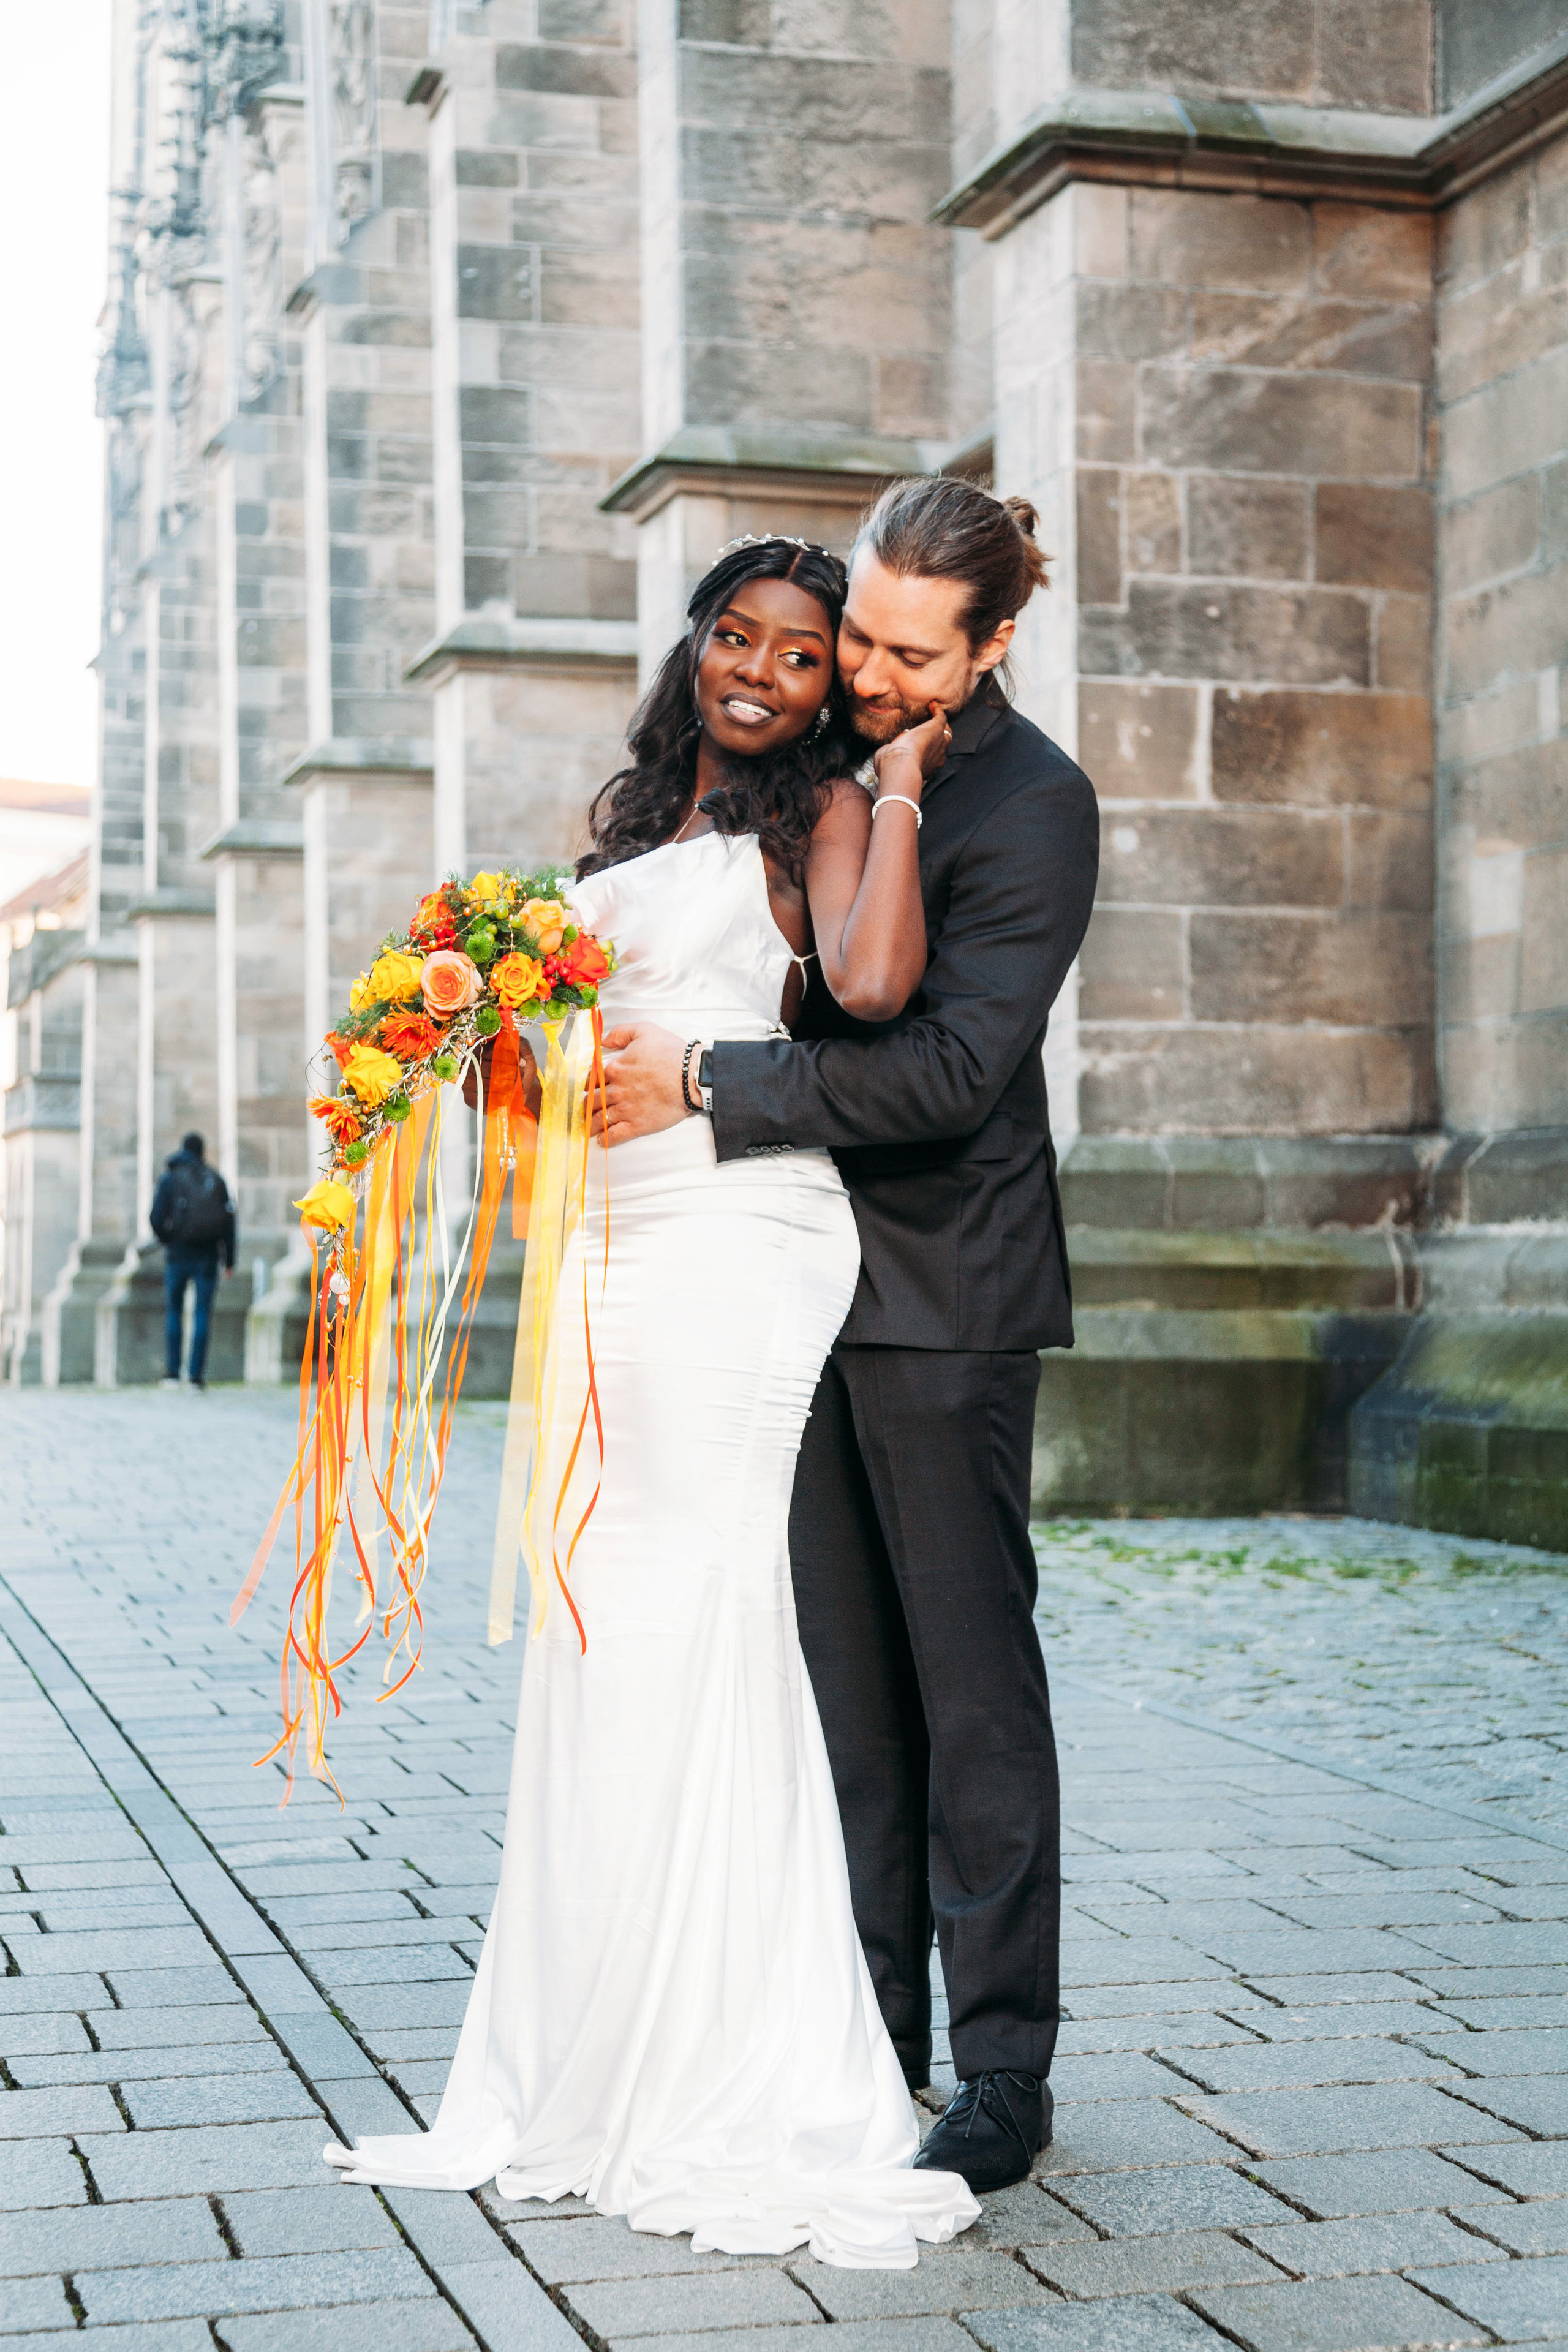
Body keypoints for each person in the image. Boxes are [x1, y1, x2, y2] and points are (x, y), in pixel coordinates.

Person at [324, 534, 981, 2266]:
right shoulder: (625, 833)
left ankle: (740, 2056)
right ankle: (594, 2043)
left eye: (800, 651)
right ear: (696, 645)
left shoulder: (829, 818)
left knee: (698, 1602)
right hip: (606, 1245)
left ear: (832, 679)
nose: (762, 671)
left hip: (743, 1232)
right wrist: (462, 1042)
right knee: (601, 1617)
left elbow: (875, 993)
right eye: (736, 637)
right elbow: (547, 1102)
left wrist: (902, 782)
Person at [591, 477, 1101, 2195]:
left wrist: (704, 1081)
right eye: (858, 634)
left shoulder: (1035, 806)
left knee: (968, 1693)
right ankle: (870, 2038)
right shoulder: (819, 758)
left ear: (994, 644)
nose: (865, 671)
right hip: (773, 1284)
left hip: (944, 1297)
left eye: (904, 651)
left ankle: (1004, 2072)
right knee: (843, 1703)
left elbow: (951, 1073)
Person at [148, 1131, 236, 1390]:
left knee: (174, 1311)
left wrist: (168, 1237)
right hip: (208, 1256)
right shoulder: (216, 1180)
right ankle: (196, 1376)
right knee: (202, 1314)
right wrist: (229, 1260)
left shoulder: (170, 1179)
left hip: (177, 1255)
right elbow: (229, 1224)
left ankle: (173, 1374)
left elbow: (155, 1217)